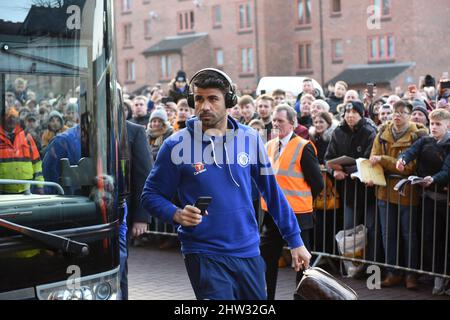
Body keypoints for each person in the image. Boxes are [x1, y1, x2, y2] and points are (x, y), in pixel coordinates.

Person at [141, 68, 311, 300]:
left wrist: (295, 240)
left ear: (229, 101)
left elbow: (272, 194)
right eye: (199, 99)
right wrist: (176, 214)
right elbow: (150, 195)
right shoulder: (175, 145)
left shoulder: (250, 138)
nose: (205, 106)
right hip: (203, 252)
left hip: (248, 250)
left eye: (213, 99)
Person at [260, 104, 323, 300]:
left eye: (280, 121)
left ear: (293, 123)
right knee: (266, 261)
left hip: (298, 214)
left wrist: (299, 198)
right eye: (274, 121)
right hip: (272, 215)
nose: (276, 124)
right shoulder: (269, 145)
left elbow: (318, 183)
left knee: (302, 265)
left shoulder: (304, 147)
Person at [369, 100, 428, 289]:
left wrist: (384, 160)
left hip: (407, 191)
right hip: (384, 190)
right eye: (395, 111)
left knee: (408, 234)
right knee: (388, 234)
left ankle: (411, 275)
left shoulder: (417, 135)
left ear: (409, 115)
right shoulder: (382, 133)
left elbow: (409, 167)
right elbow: (373, 160)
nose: (397, 115)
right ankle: (393, 272)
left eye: (402, 112)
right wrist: (378, 166)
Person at [396, 108, 450, 295]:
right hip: (429, 199)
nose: (433, 127)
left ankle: (445, 278)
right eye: (432, 123)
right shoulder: (425, 140)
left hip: (446, 200)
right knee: (429, 237)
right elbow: (411, 151)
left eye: (437, 124)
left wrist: (433, 179)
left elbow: (447, 169)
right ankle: (437, 275)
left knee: (446, 240)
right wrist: (402, 159)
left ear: (447, 126)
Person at [0, 107, 44, 194]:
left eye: (14, 118)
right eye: (8, 117)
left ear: (17, 120)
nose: (11, 120)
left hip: (26, 190)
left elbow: (36, 163)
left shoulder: (27, 137)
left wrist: (40, 185)